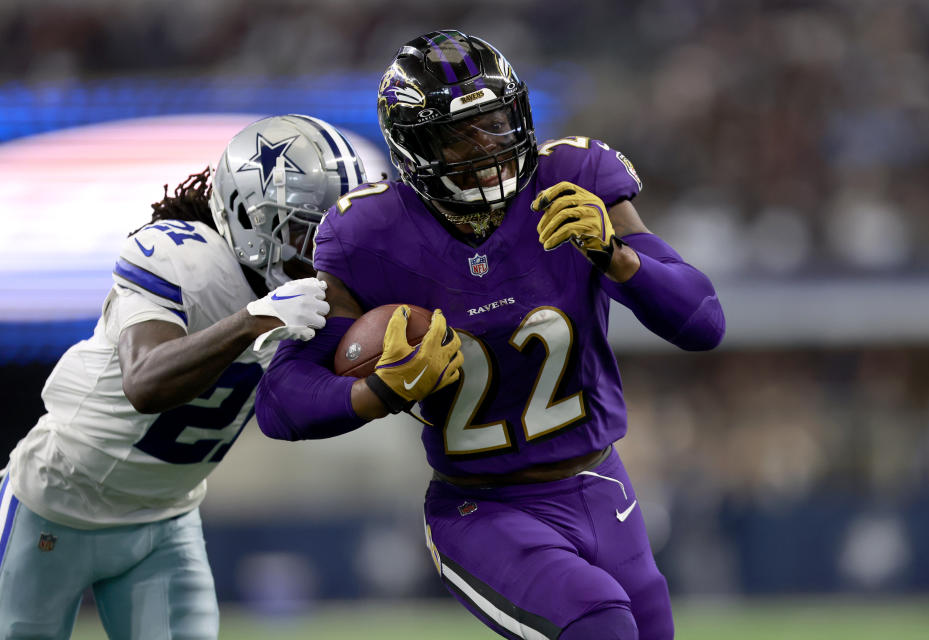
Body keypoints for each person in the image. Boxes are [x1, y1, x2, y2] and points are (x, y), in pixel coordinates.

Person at [255, 31, 725, 640]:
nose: (487, 147)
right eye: (459, 135)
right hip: (483, 509)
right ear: (416, 147)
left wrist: (617, 257)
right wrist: (378, 392)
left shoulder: (573, 179)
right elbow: (279, 399)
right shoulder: (367, 236)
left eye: (496, 123)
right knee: (598, 623)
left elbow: (704, 322)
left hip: (601, 483)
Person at [0, 114, 366, 639]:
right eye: (306, 231)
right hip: (55, 501)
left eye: (335, 232)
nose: (320, 252)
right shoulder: (181, 256)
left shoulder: (318, 295)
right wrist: (254, 320)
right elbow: (145, 383)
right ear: (250, 217)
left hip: (165, 520)